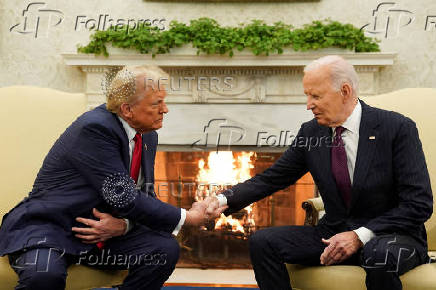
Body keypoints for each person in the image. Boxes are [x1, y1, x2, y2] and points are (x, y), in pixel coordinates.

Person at [205, 55, 433, 290]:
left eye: (316, 96)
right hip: (332, 233)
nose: (308, 104)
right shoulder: (311, 133)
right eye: (307, 95)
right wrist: (222, 199)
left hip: (391, 236)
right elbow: (272, 178)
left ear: (344, 91)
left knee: (379, 256)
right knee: (262, 242)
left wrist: (358, 236)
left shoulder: (396, 128)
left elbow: (418, 204)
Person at [0, 65, 225, 290]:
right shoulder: (95, 128)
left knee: (163, 250)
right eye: (157, 103)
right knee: (43, 276)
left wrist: (124, 225)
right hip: (53, 229)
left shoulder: (147, 137)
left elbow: (143, 196)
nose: (165, 110)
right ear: (127, 109)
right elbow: (124, 196)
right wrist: (190, 217)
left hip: (101, 237)